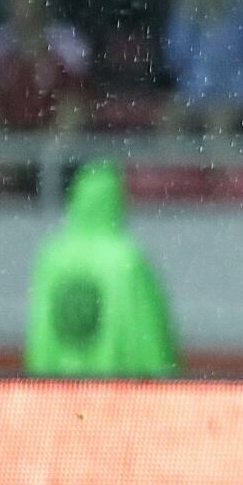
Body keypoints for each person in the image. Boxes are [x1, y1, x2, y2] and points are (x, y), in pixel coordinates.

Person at [25, 161, 178, 377]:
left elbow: (41, 331)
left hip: (58, 394)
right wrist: (164, 381)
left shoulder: (52, 256)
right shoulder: (126, 259)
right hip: (115, 397)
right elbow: (147, 333)